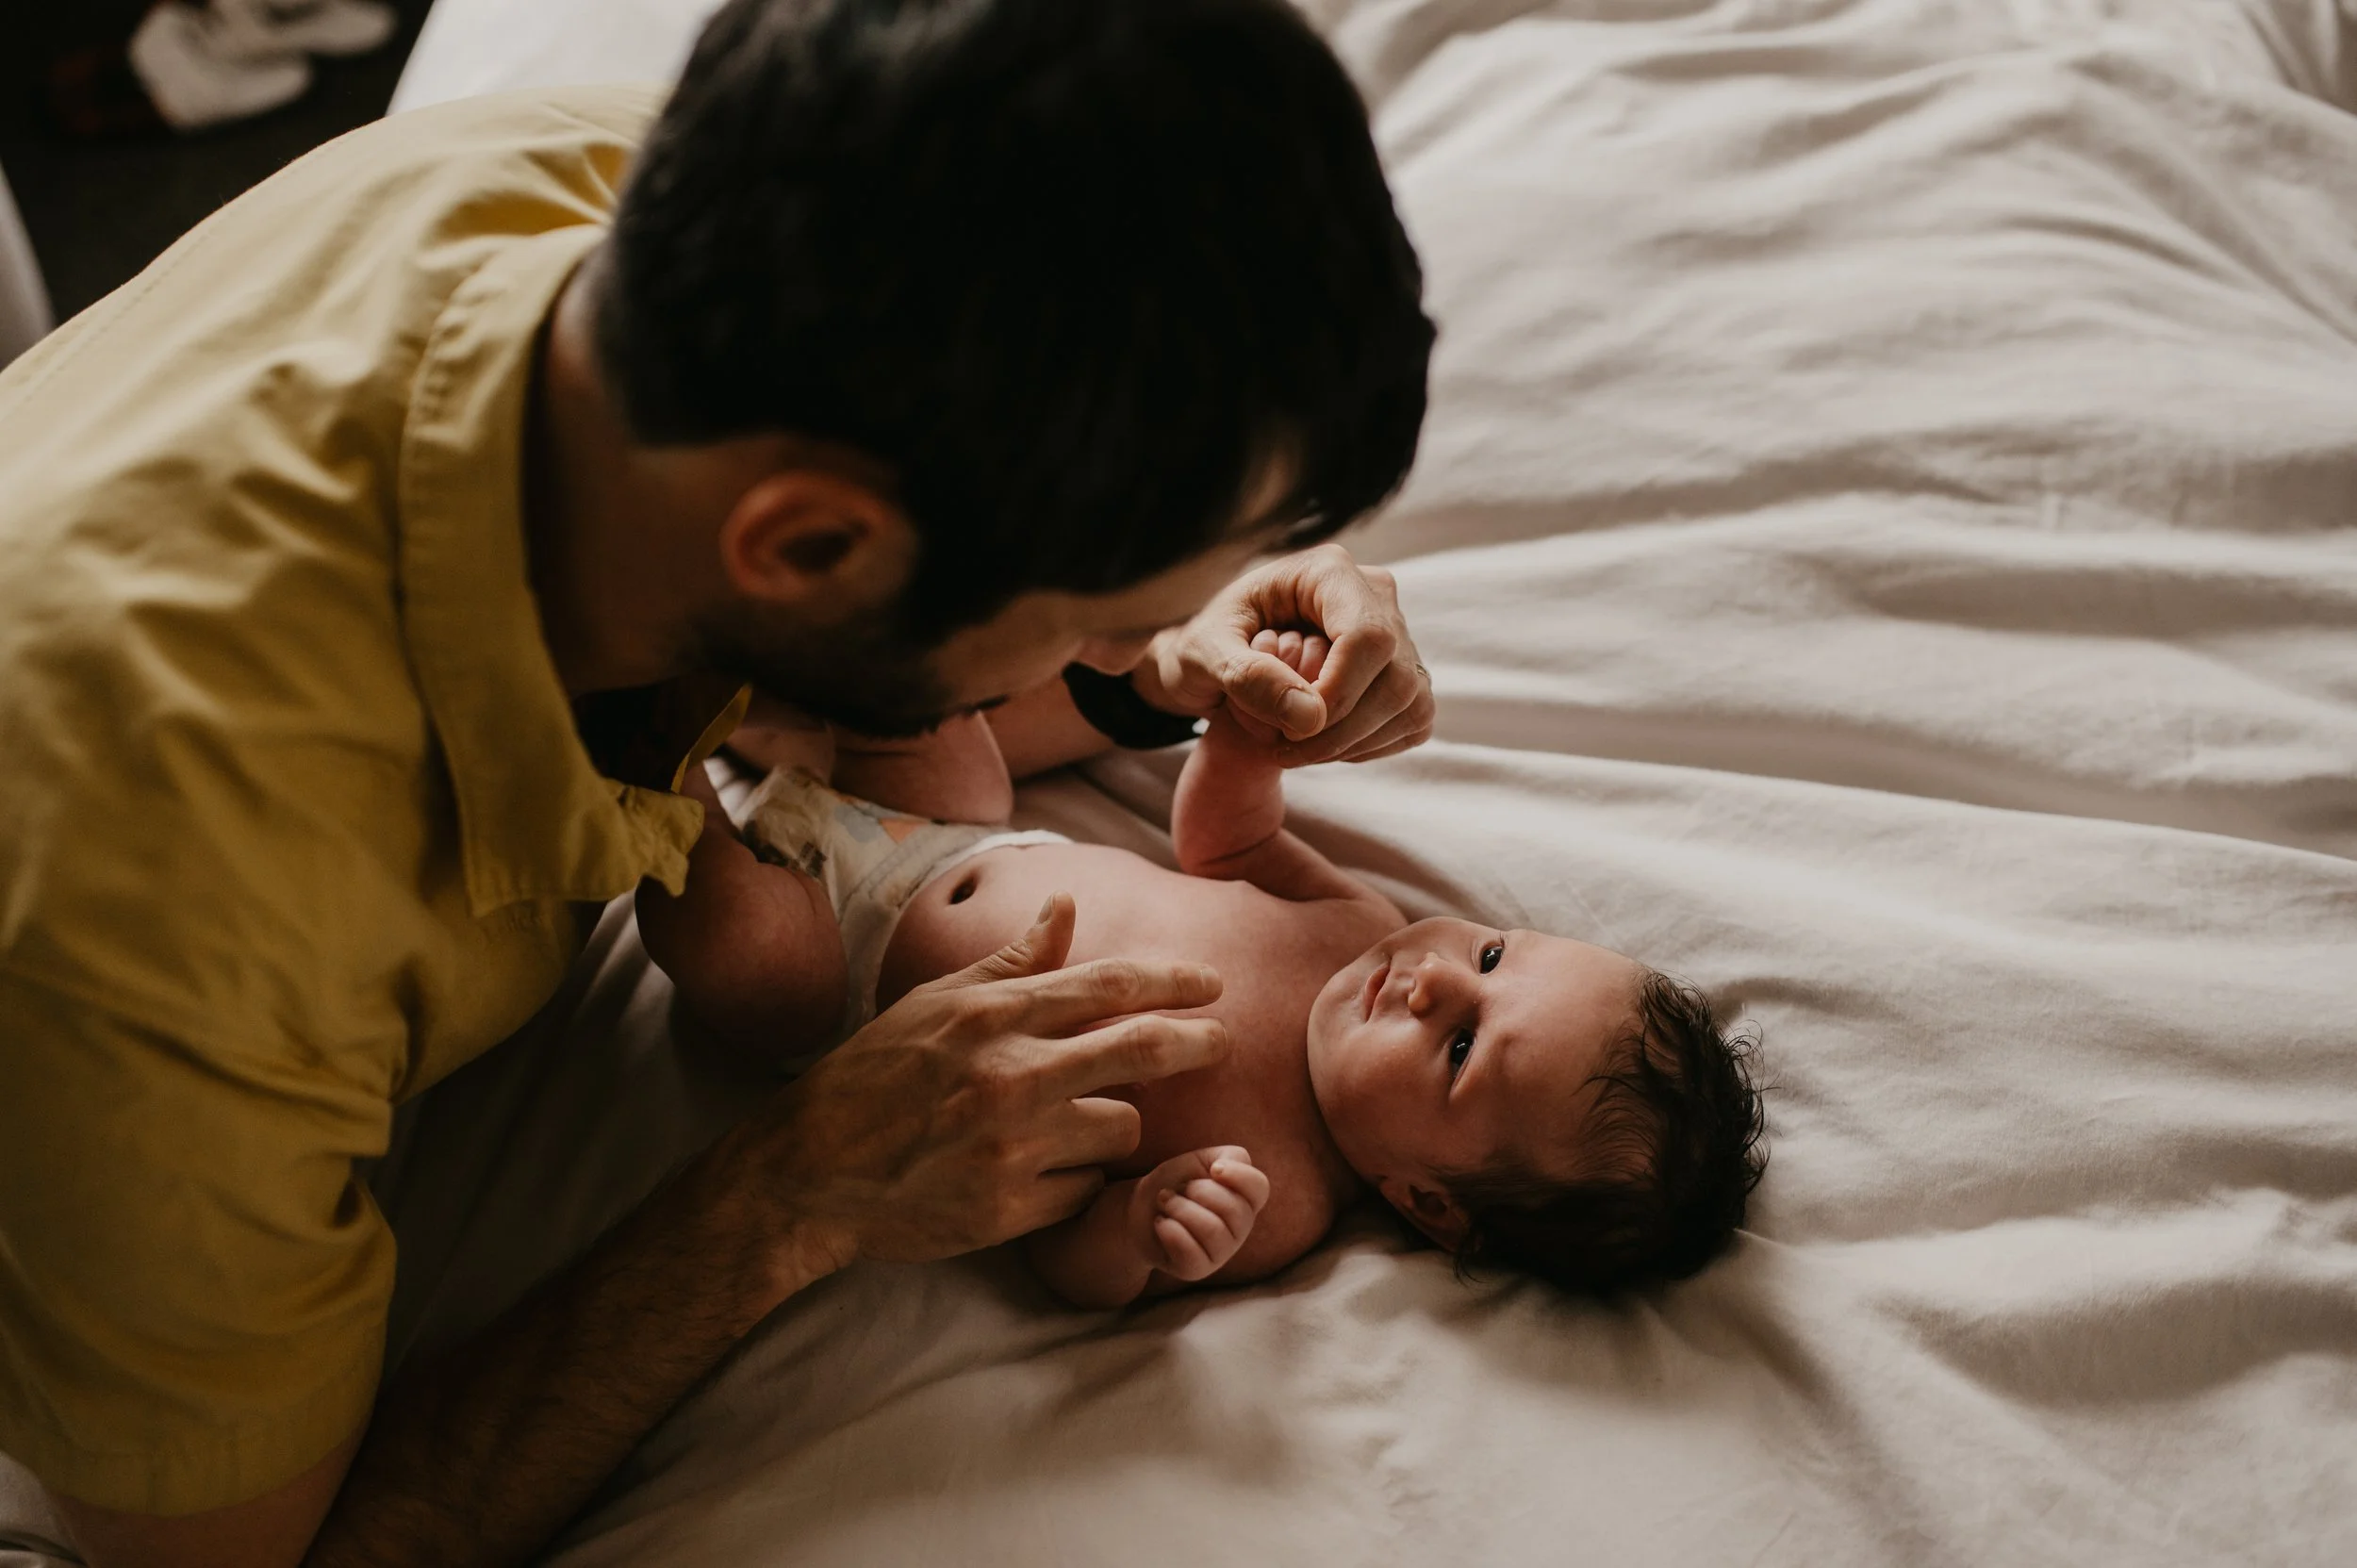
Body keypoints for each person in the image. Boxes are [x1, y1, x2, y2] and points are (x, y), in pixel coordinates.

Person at [0, 2, 1437, 1564]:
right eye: (1105, 610)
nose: (1136, 643)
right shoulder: (162, 928)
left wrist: (1161, 647)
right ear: (810, 549)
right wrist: (793, 1191)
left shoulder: (655, 220)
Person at [647, 639, 1768, 1310]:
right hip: (958, 832)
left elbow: (1058, 1250)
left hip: (846, 978)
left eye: (1461, 1048)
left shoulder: (1268, 1193)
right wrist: (1241, 753)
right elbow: (1226, 849)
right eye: (1487, 955)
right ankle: (748, 654)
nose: (1430, 981)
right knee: (932, 703)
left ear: (1430, 1202)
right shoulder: (1356, 925)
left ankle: (652, 753)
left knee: (750, 959)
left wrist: (1139, 1234)